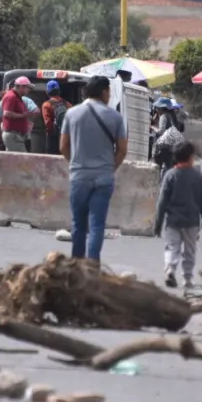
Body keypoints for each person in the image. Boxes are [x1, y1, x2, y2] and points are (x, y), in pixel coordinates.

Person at [60, 76, 128, 262]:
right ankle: (92, 266)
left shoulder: (72, 114)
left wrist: (75, 162)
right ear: (105, 92)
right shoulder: (115, 117)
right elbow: (122, 149)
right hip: (104, 178)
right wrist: (110, 168)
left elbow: (63, 146)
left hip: (79, 176)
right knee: (97, 224)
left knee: (78, 224)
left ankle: (76, 265)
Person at [154, 140, 202, 289]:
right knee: (189, 251)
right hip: (192, 222)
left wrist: (158, 223)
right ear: (191, 157)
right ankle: (187, 278)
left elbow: (162, 201)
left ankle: (170, 270)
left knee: (172, 247)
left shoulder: (170, 175)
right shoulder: (197, 177)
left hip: (172, 222)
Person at [1, 77, 33, 152]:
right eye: (27, 88)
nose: (28, 90)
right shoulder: (11, 97)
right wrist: (23, 115)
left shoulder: (17, 97)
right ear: (21, 87)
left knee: (12, 162)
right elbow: (7, 113)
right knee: (22, 160)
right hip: (13, 136)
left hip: (16, 136)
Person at [42, 80, 72, 156]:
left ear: (47, 92)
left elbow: (48, 123)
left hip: (53, 137)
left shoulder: (46, 105)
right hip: (66, 136)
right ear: (59, 91)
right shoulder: (67, 104)